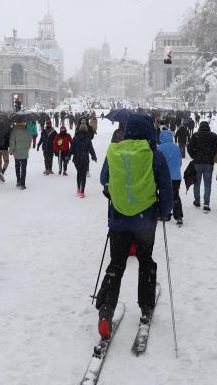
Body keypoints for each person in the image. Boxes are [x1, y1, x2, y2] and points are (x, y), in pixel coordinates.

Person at [96, 113, 173, 338]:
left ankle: (105, 310)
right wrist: (165, 211)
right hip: (145, 222)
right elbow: (166, 187)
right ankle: (146, 307)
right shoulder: (154, 155)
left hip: (119, 220)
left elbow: (104, 179)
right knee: (145, 261)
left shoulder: (114, 151)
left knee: (116, 265)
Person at [186, 120, 217, 213]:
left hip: (197, 163)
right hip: (208, 163)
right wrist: (211, 156)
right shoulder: (213, 136)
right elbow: (216, 149)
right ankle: (206, 203)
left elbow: (189, 147)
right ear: (208, 127)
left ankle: (197, 201)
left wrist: (194, 156)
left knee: (197, 183)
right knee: (207, 184)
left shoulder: (195, 135)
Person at [158, 128, 184, 226]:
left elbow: (158, 163)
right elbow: (180, 162)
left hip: (165, 177)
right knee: (175, 195)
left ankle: (165, 214)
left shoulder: (160, 148)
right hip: (176, 176)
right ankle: (179, 216)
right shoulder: (176, 147)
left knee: (164, 195)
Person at [69, 124, 97, 197]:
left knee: (79, 173)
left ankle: (78, 189)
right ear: (86, 130)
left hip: (76, 159)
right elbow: (91, 149)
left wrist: (68, 156)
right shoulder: (88, 139)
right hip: (84, 159)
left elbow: (71, 149)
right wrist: (94, 157)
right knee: (83, 175)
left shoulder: (75, 138)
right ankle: (82, 192)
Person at [9, 121, 31, 189]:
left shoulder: (14, 131)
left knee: (17, 167)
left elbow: (12, 142)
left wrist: (11, 151)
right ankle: (23, 184)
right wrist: (27, 148)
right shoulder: (27, 131)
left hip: (17, 153)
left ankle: (18, 181)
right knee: (23, 169)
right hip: (24, 153)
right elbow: (30, 141)